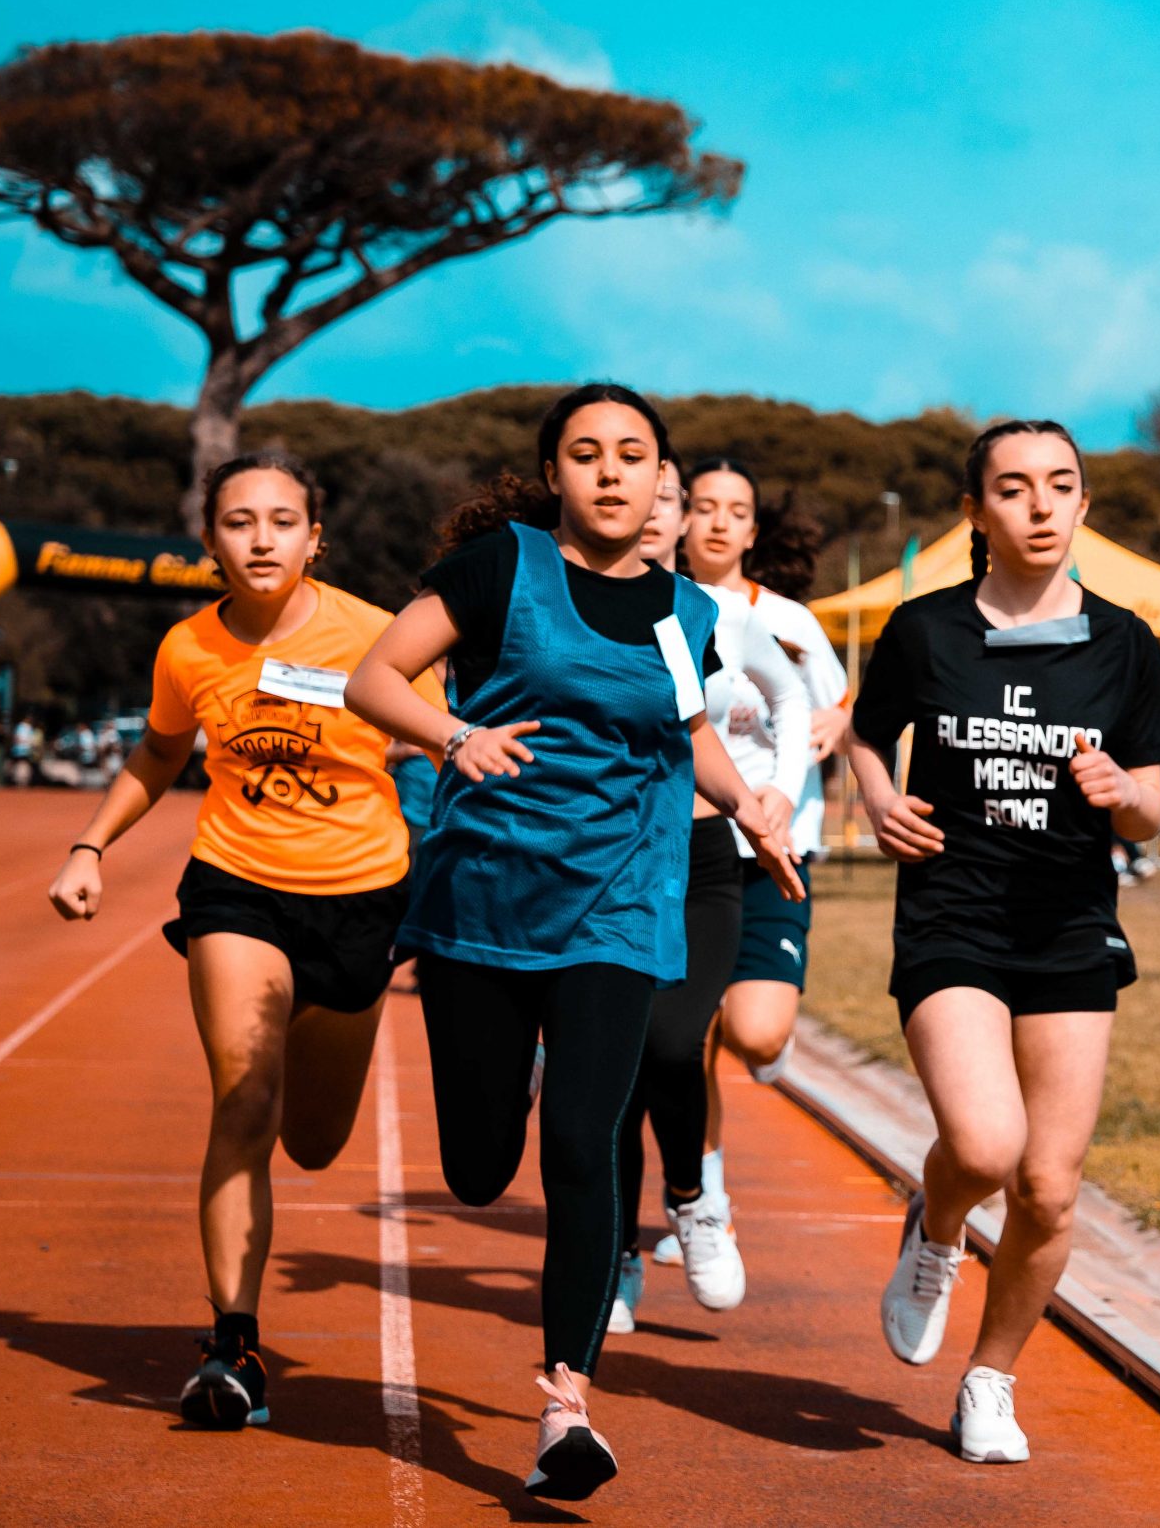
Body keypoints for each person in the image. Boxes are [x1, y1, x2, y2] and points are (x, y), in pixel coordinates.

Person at [345, 384, 802, 1502]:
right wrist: (454, 734)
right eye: (586, 453)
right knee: (478, 1168)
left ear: (661, 480)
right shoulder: (499, 567)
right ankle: (509, 1081)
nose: (609, 472)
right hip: (485, 905)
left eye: (632, 455)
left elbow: (688, 730)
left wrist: (749, 806)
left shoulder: (684, 611)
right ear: (553, 473)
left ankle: (566, 1404)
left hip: (620, 907)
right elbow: (371, 679)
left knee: (584, 1146)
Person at [47, 453, 437, 1431]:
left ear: (315, 538)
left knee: (314, 1141)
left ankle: (305, 1034)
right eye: (238, 521)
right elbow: (159, 750)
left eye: (282, 520)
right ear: (209, 539)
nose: (261, 538)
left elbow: (442, 750)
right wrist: (91, 845)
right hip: (237, 883)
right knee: (245, 1095)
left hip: (360, 898)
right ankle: (233, 1344)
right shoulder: (187, 647)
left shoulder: (378, 635)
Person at [845, 418, 1160, 1464]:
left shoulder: (1125, 643)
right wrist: (878, 802)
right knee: (987, 1147)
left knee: (1047, 1185)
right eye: (1013, 487)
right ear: (975, 511)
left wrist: (1123, 791)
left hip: (1069, 926)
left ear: (1083, 502)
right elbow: (866, 733)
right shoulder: (924, 629)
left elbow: (1151, 810)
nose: (1040, 504)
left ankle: (990, 1379)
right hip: (953, 915)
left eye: (1060, 484)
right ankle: (938, 1226)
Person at [605, 458, 811, 1336]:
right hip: (602, 864)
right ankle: (614, 1256)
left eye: (670, 500)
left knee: (673, 1040)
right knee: (610, 1062)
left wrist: (780, 793)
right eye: (645, 498)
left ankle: (692, 1199)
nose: (655, 512)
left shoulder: (719, 611)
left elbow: (791, 695)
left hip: (702, 857)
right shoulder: (561, 600)